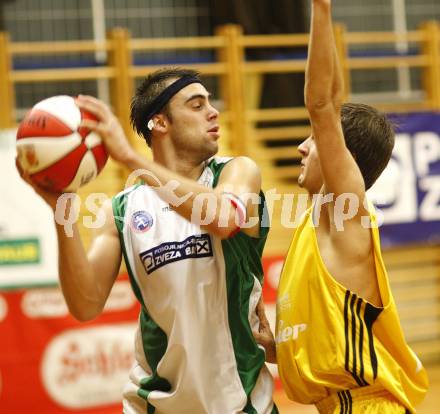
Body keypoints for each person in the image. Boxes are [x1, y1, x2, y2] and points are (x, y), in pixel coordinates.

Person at [17, 68, 277, 414]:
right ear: (160, 123)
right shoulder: (122, 208)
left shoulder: (236, 172)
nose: (213, 112)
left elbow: (224, 218)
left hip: (241, 403)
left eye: (209, 103)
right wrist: (61, 209)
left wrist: (130, 158)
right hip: (155, 404)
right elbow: (85, 303)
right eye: (196, 105)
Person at [254, 1, 429, 413]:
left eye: (312, 141)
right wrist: (275, 348)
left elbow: (322, 105)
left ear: (340, 155)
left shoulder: (346, 212)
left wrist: (320, 9)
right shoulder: (312, 229)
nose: (301, 146)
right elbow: (332, 352)